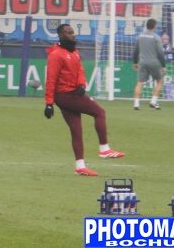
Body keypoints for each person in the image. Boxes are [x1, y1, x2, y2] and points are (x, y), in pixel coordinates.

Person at [44, 24, 125, 176]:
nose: (73, 35)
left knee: (76, 131)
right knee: (99, 112)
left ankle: (80, 166)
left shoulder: (74, 52)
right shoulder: (55, 55)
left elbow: (80, 69)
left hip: (73, 94)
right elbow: (51, 79)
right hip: (66, 96)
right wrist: (49, 103)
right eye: (69, 33)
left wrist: (81, 83)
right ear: (61, 35)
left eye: (73, 32)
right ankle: (104, 149)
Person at [133, 18, 166, 111]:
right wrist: (163, 65)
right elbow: (160, 53)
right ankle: (153, 101)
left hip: (142, 62)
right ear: (154, 26)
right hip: (154, 63)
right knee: (159, 81)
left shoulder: (140, 36)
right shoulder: (156, 37)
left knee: (140, 83)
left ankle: (136, 104)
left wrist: (135, 62)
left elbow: (136, 51)